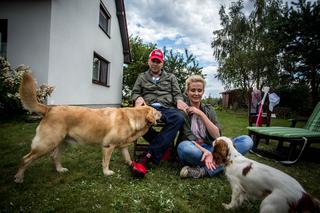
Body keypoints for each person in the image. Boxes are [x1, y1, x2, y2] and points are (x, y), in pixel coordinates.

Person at [177, 75, 253, 178]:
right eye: (193, 90)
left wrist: (200, 113)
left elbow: (217, 135)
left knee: (247, 140)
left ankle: (204, 171)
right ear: (187, 92)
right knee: (184, 148)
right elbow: (188, 138)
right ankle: (226, 162)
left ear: (203, 92)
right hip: (195, 149)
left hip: (212, 147)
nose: (196, 93)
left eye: (199, 90)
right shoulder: (182, 111)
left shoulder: (209, 109)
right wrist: (206, 152)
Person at [131, 49, 189, 175]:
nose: (155, 63)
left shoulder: (171, 77)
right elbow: (135, 92)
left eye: (158, 61)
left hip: (166, 108)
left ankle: (148, 155)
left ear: (162, 63)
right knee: (139, 121)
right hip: (148, 108)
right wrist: (138, 98)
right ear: (149, 61)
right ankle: (165, 147)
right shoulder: (142, 77)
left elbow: (177, 94)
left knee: (178, 118)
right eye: (153, 60)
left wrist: (179, 100)